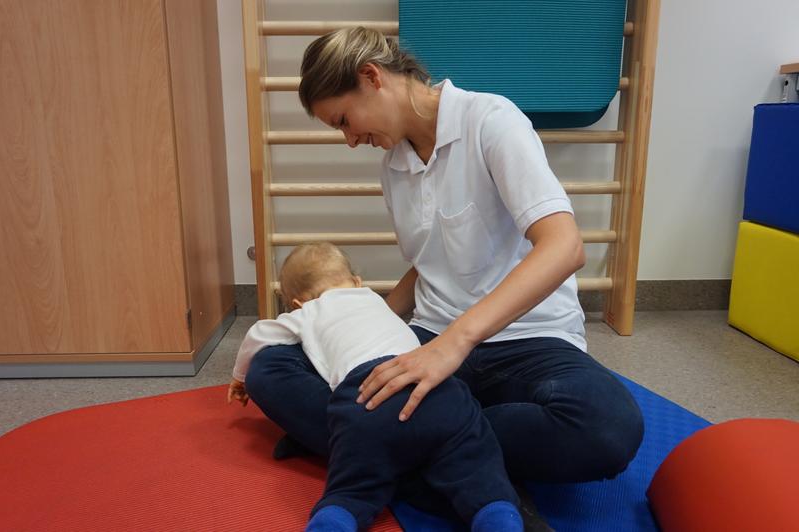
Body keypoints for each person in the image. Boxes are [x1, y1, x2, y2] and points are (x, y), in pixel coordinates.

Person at [244, 26, 644, 521]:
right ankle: (450, 456)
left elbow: (564, 246)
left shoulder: (492, 121)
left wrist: (454, 343)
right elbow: (433, 258)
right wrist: (372, 320)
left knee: (607, 429)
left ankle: (382, 448)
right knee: (268, 367)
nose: (350, 140)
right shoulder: (393, 166)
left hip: (530, 341)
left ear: (372, 77)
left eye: (344, 120)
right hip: (425, 339)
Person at [228, 243, 523, 532]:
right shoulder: (372, 299)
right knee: (475, 460)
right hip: (433, 387)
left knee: (353, 488)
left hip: (368, 400)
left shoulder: (308, 311)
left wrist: (240, 377)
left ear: (297, 303)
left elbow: (259, 334)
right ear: (357, 282)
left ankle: (335, 520)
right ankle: (496, 512)